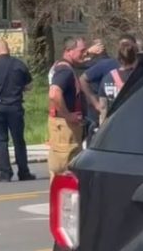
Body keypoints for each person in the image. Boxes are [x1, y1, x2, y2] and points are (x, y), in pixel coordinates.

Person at [0, 40, 36, 182]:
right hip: (15, 107)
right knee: (18, 141)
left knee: (1, 141)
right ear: (8, 49)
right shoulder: (19, 64)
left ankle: (5, 174)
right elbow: (29, 86)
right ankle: (24, 172)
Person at [48, 36, 87, 179]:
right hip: (64, 128)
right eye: (81, 51)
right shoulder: (65, 71)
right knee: (64, 170)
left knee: (68, 170)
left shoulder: (63, 67)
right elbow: (54, 93)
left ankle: (66, 199)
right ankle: (62, 200)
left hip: (65, 128)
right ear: (69, 51)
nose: (85, 54)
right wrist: (67, 115)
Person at [98, 38, 140, 121]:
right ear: (136, 56)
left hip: (114, 125)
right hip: (135, 123)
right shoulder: (140, 76)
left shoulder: (108, 78)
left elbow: (103, 108)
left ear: (118, 58)